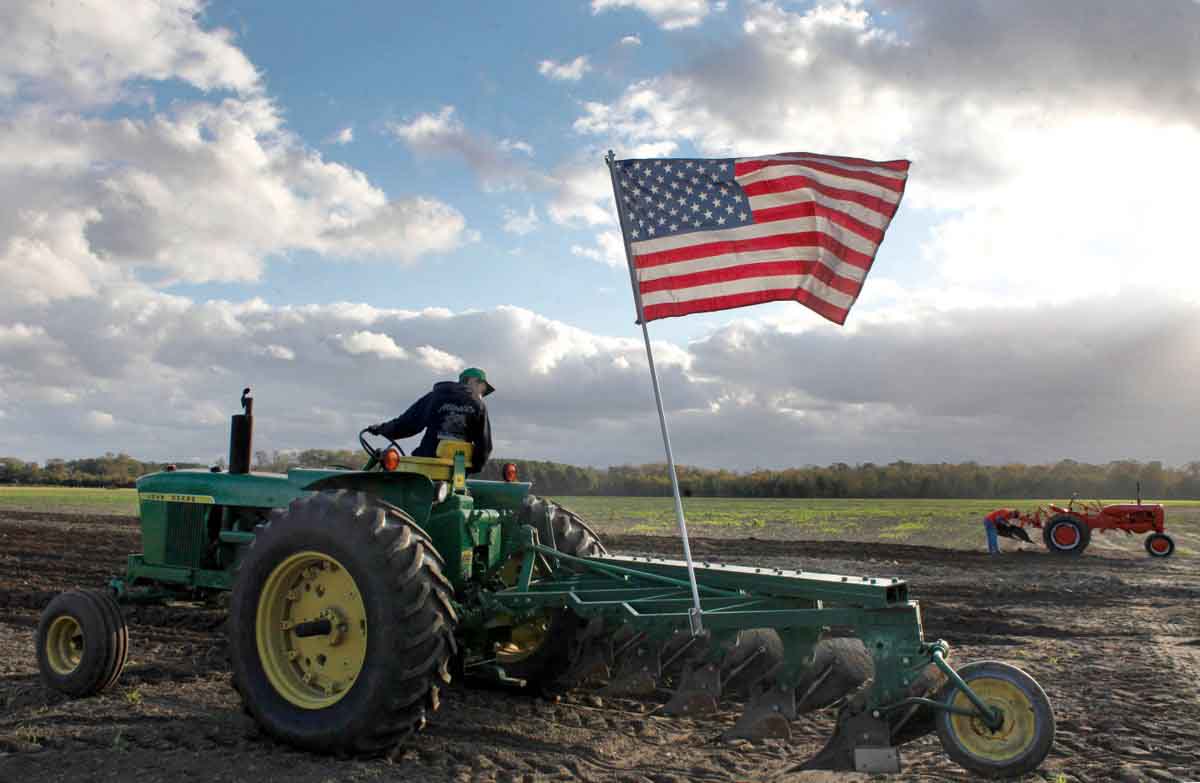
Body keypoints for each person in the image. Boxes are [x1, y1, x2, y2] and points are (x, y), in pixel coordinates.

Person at [368, 367, 494, 474]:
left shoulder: (435, 397)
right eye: (482, 388)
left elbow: (406, 424)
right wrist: (474, 467)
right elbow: (484, 445)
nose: (482, 393)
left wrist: (381, 429)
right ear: (472, 381)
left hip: (426, 467)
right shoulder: (479, 405)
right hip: (457, 471)